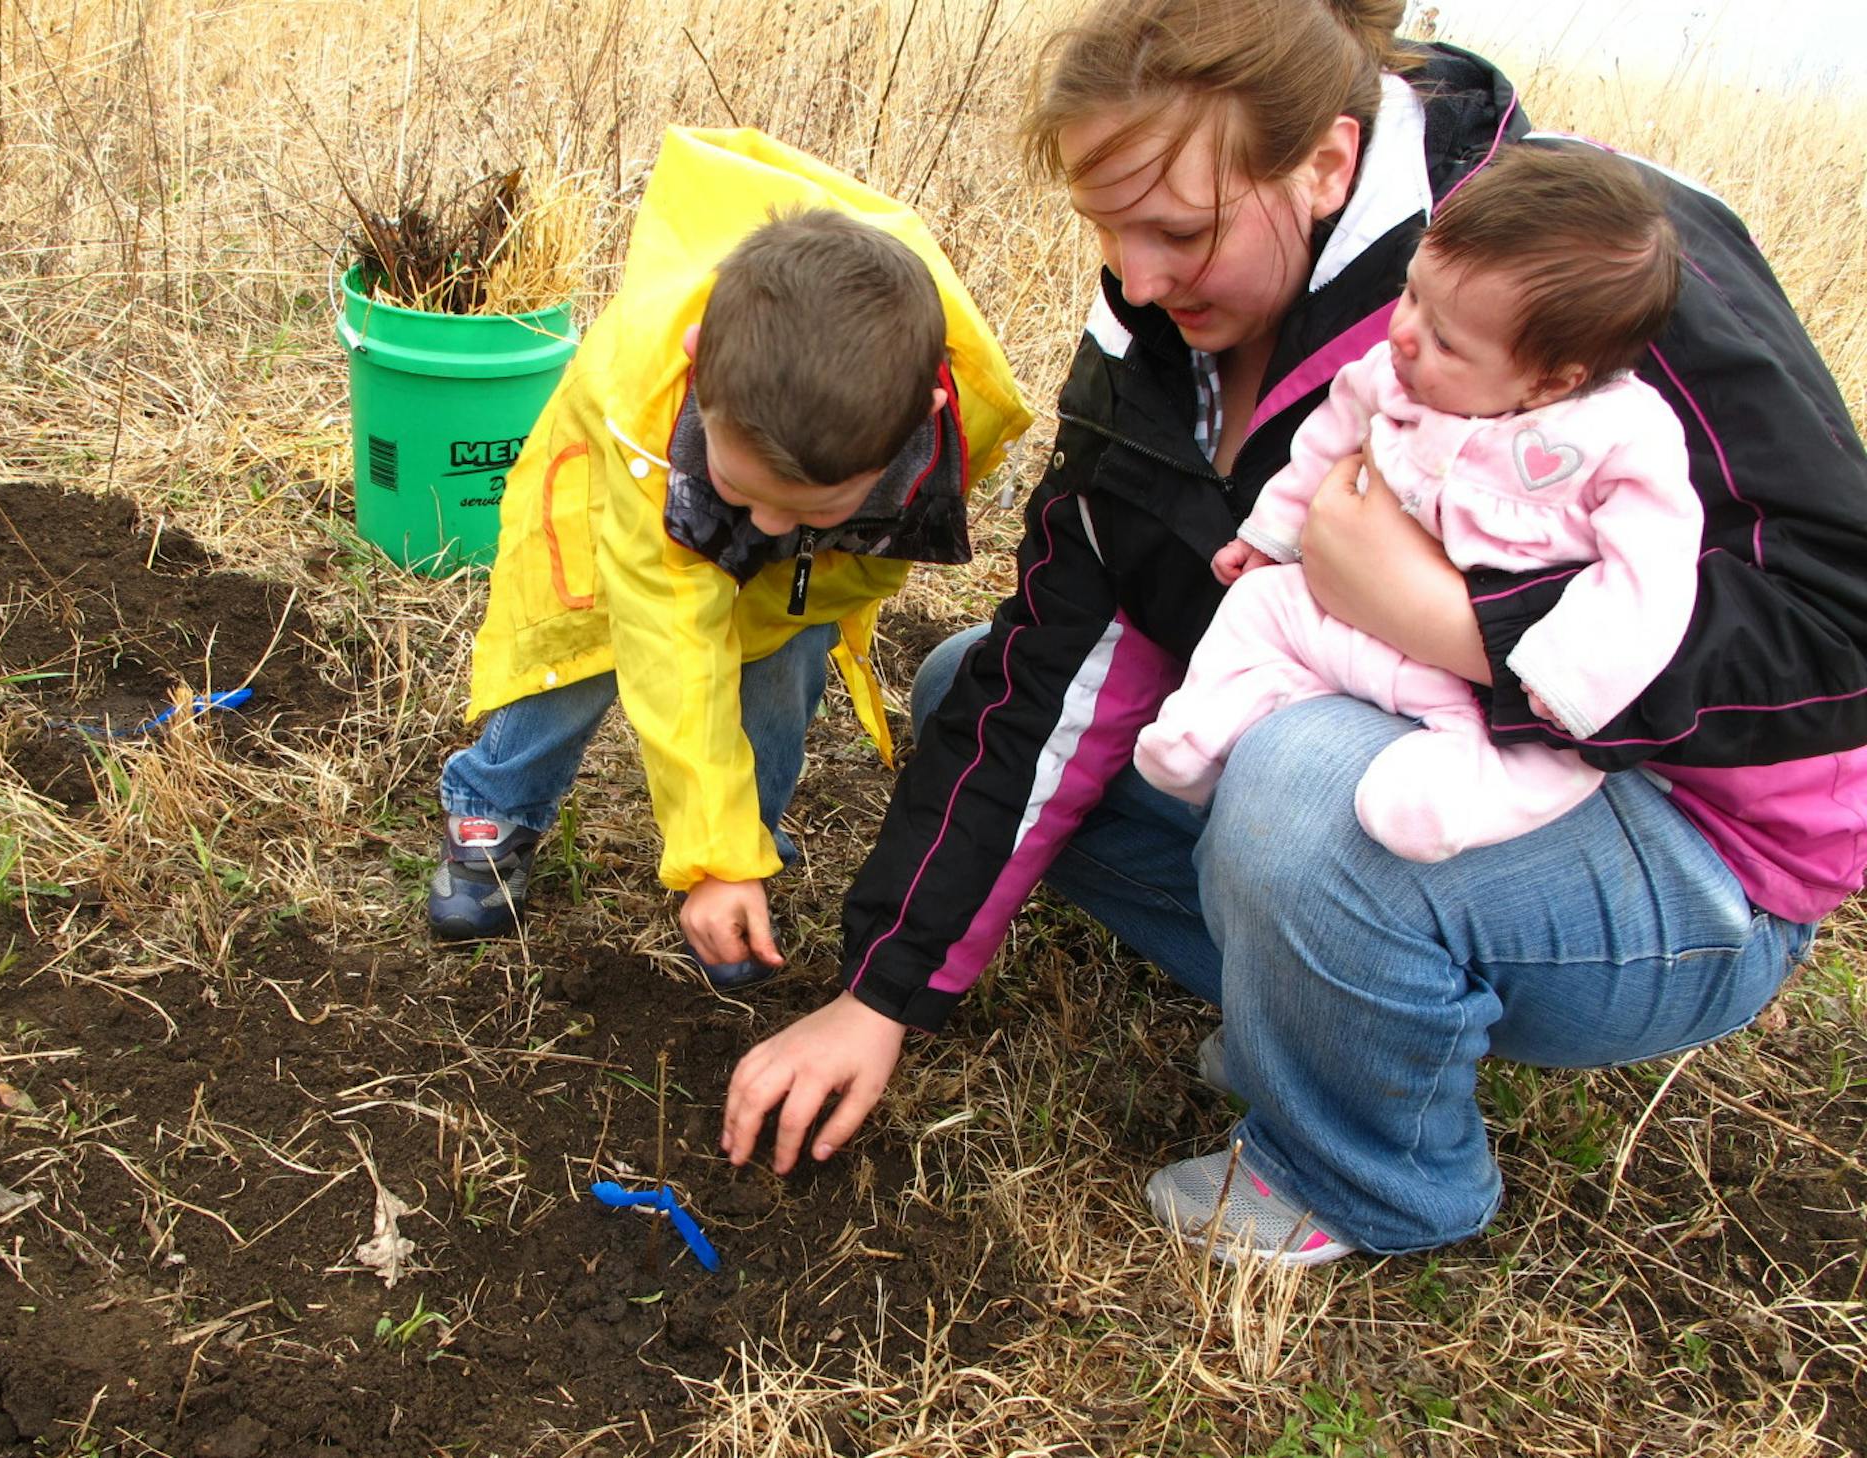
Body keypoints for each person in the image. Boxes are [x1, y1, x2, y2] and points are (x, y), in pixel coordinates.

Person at [721, 0, 1867, 1265]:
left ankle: (1378, 1175)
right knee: (960, 687)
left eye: (1177, 229)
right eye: (1108, 229)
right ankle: (1335, 1003)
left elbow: (1835, 622)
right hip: (1388, 738)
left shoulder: (1589, 260)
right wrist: (880, 993)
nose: (1137, 279)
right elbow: (1057, 673)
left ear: (1325, 163)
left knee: (1303, 788)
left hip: (1692, 855)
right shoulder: (1153, 347)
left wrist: (1455, 621)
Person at [431, 127, 1031, 990]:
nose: (764, 522)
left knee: (782, 665)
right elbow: (671, 639)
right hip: (636, 497)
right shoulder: (641, 395)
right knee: (585, 638)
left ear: (917, 425)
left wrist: (730, 852)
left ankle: (748, 853)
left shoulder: (957, 416)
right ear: (695, 363)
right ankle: (495, 804)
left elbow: (865, 555)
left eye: (804, 505)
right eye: (743, 493)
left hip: (813, 571)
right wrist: (704, 856)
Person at [1135, 146, 1700, 863]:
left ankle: (1444, 802)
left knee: (1550, 754)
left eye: (1445, 339)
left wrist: (1570, 676)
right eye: (1412, 295)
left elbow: (1649, 572)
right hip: (1357, 623)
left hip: (1475, 683)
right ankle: (1208, 729)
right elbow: (1326, 436)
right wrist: (1272, 534)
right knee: (1257, 604)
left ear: (1553, 381)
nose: (1402, 333)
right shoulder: (1393, 371)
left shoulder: (1621, 439)